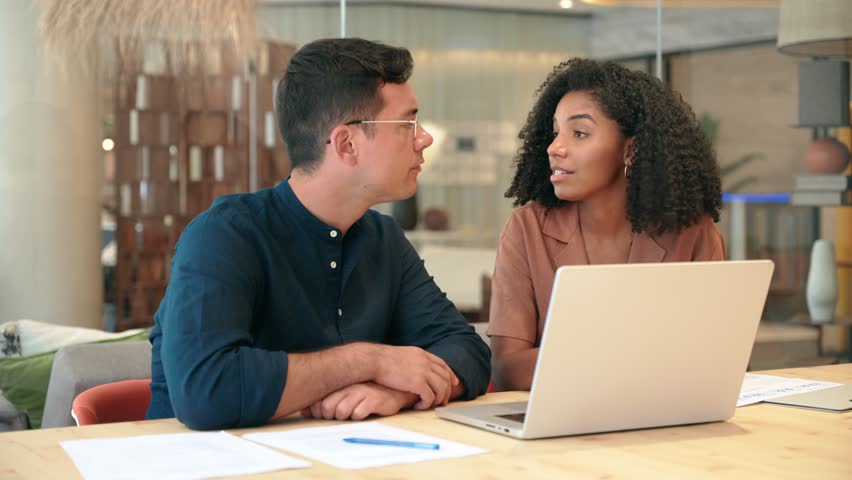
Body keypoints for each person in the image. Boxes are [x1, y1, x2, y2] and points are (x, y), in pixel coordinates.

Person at [146, 38, 491, 430]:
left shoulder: (383, 239)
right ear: (347, 144)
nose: (424, 138)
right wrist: (370, 361)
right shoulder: (223, 236)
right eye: (408, 123)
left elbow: (468, 351)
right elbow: (207, 392)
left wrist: (398, 392)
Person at [488, 58, 725, 391]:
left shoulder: (692, 233)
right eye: (555, 132)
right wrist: (638, 354)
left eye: (579, 133)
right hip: (560, 425)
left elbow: (716, 362)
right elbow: (507, 371)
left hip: (665, 422)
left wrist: (584, 357)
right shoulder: (527, 230)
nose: (554, 148)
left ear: (630, 150)